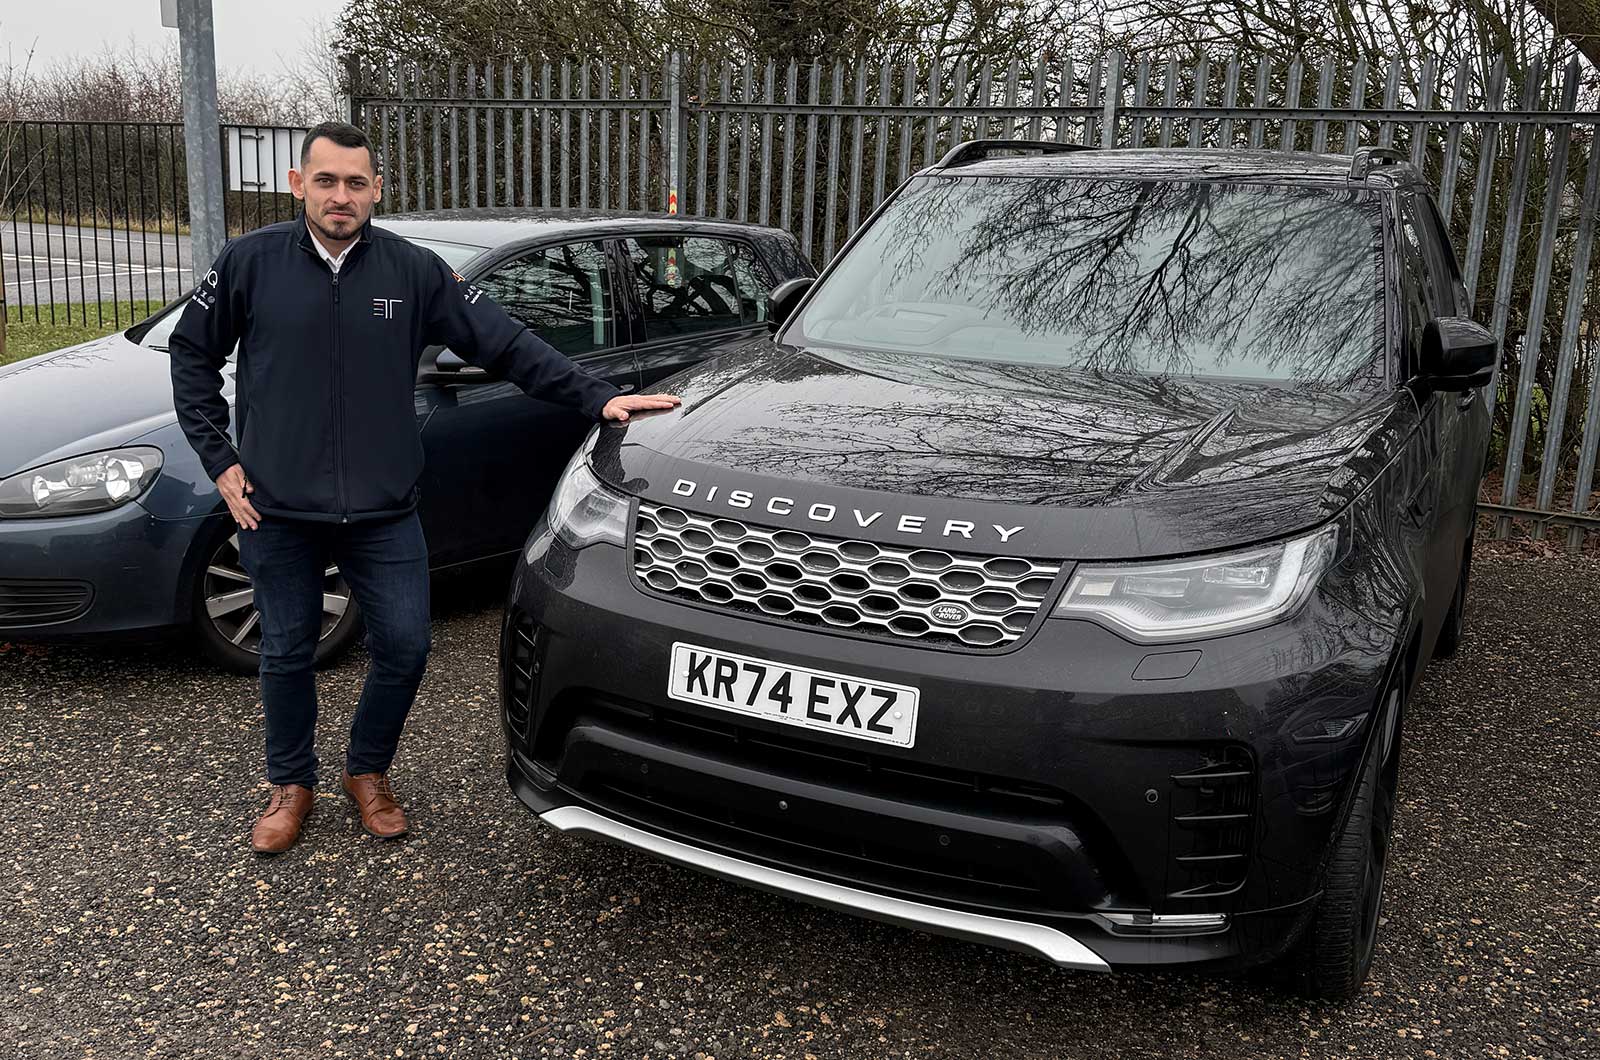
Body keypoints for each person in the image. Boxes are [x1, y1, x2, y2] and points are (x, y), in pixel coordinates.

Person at [168, 121, 679, 855]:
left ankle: (367, 772)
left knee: (405, 648)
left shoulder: (413, 272)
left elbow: (503, 341)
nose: (340, 196)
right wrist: (220, 458)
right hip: (277, 509)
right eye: (325, 181)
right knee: (286, 651)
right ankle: (291, 784)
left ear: (376, 189)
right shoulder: (250, 263)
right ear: (297, 184)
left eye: (354, 183)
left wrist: (596, 397)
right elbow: (191, 356)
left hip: (383, 510)